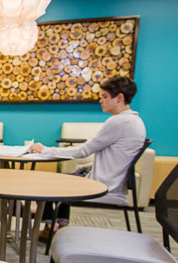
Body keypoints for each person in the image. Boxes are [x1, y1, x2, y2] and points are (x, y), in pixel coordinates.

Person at [29, 76, 146, 238]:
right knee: (61, 179)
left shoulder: (119, 122)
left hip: (104, 187)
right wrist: (84, 168)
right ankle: (60, 225)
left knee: (46, 185)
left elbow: (83, 151)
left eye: (104, 97)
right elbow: (116, 158)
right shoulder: (136, 121)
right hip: (113, 182)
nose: (101, 101)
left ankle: (51, 227)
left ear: (120, 97)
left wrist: (44, 150)